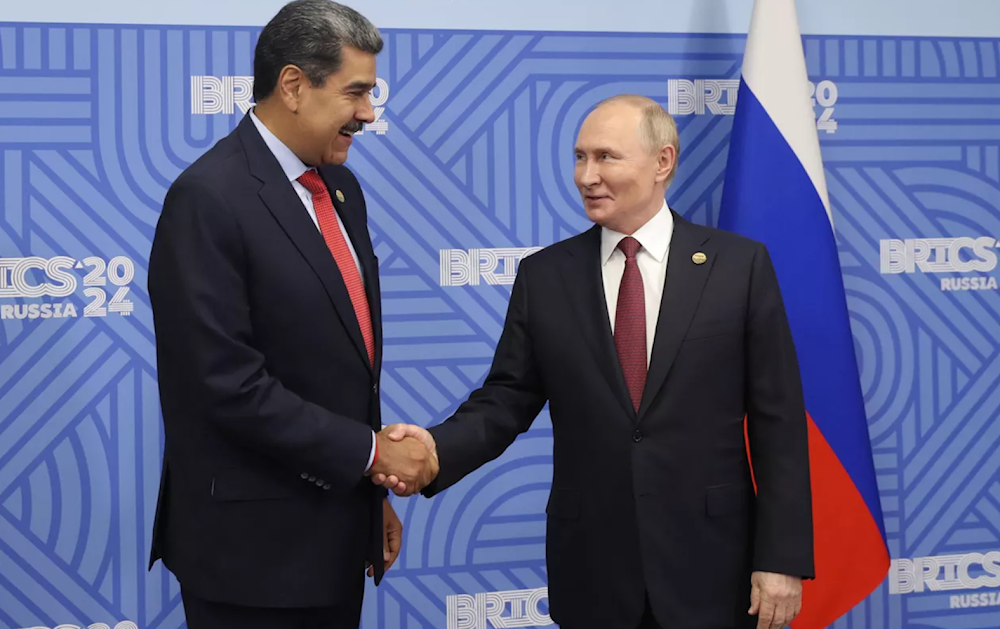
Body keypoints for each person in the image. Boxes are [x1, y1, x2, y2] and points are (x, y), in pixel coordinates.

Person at [376, 95, 814, 629]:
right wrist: (435, 449)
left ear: (663, 162)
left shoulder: (738, 266)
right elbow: (506, 400)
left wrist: (781, 560)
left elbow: (780, 424)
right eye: (580, 157)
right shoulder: (545, 276)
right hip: (594, 572)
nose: (588, 175)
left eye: (606, 157)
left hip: (714, 569)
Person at [147, 2, 436, 627]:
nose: (368, 113)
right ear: (295, 86)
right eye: (356, 92)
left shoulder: (341, 188)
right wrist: (370, 454)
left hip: (334, 540)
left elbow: (340, 362)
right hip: (251, 561)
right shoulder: (207, 198)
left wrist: (367, 495)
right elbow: (224, 385)